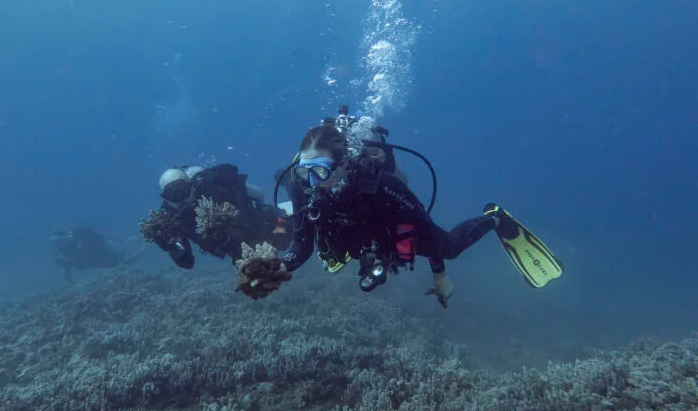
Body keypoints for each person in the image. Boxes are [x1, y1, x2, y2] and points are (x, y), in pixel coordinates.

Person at [238, 123, 564, 305]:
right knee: (340, 249)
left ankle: (495, 217)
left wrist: (439, 275)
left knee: (450, 246)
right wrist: (277, 267)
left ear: (342, 164)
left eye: (320, 172)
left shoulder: (379, 183)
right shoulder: (302, 186)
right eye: (304, 171)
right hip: (355, 236)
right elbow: (301, 245)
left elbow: (420, 221)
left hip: (394, 228)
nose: (311, 182)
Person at [142, 163, 291, 269]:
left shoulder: (213, 192)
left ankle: (287, 200)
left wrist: (223, 227)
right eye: (173, 195)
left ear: (191, 186)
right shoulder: (172, 220)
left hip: (258, 224)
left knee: (282, 240)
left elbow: (244, 220)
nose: (180, 198)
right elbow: (188, 263)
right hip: (236, 249)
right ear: (165, 197)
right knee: (250, 265)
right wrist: (172, 247)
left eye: (182, 190)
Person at [51, 228, 145, 282]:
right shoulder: (64, 251)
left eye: (58, 242)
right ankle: (138, 246)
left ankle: (131, 243)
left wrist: (68, 262)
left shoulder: (79, 242)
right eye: (54, 244)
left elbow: (82, 259)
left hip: (101, 249)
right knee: (121, 263)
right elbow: (68, 273)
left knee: (122, 261)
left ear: (65, 238)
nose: (58, 246)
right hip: (96, 258)